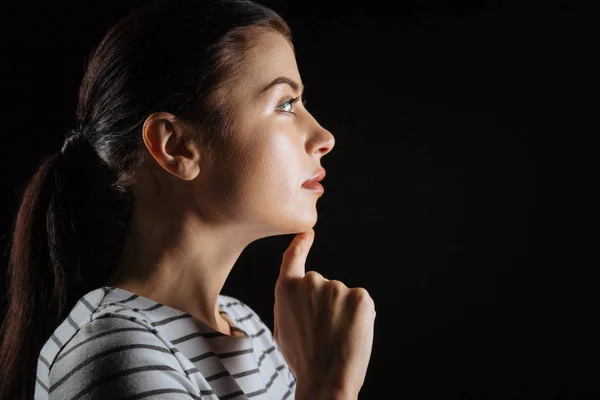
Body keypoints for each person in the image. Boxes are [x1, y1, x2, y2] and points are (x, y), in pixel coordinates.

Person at [0, 0, 376, 399]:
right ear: (176, 146)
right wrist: (330, 386)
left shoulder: (248, 328)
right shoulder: (117, 353)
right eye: (285, 104)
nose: (324, 138)